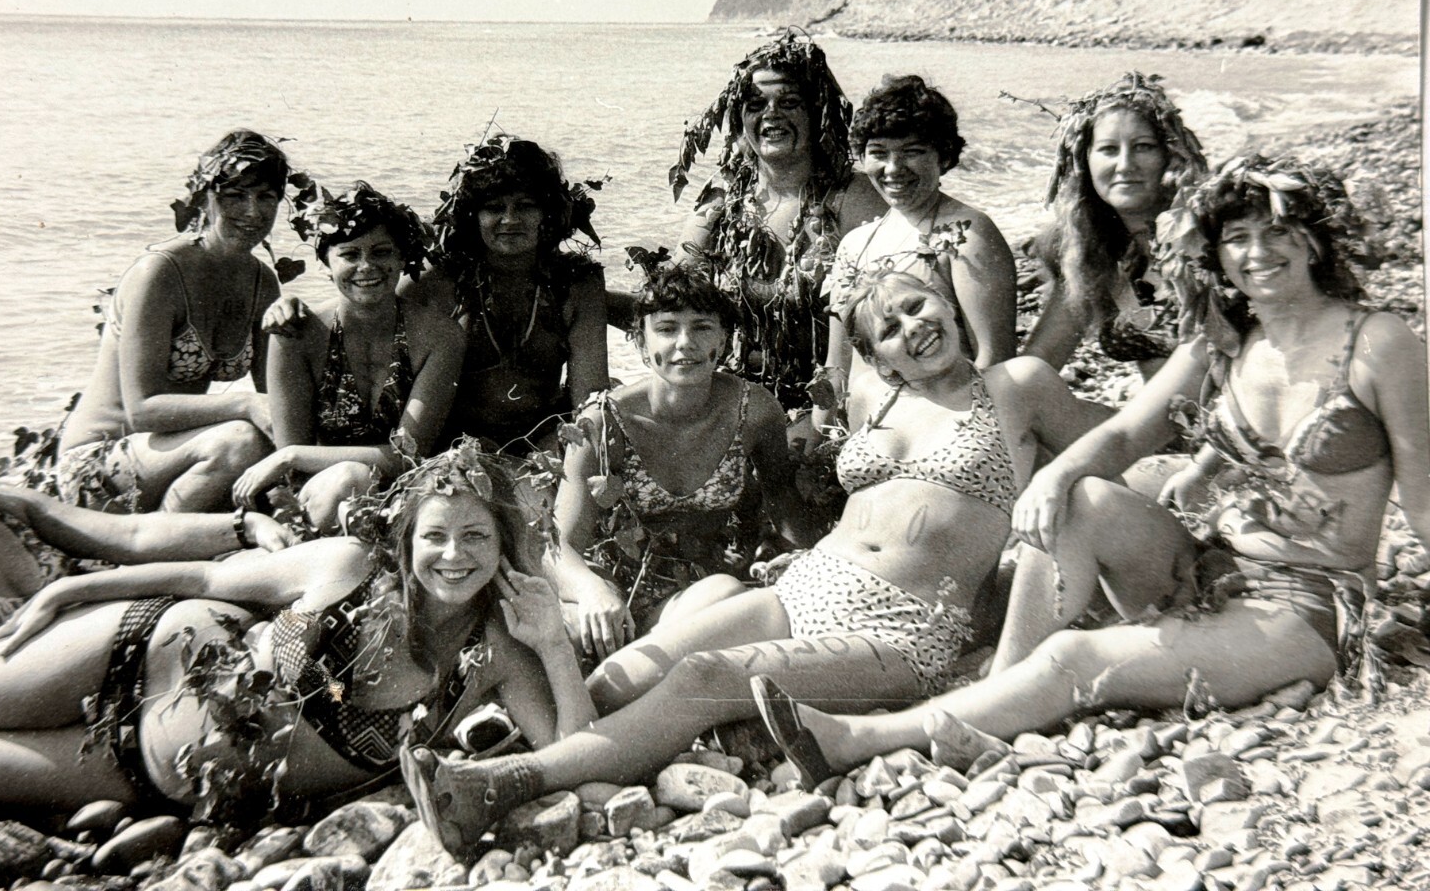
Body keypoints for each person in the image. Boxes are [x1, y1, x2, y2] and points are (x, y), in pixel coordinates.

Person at [745, 155, 1430, 783]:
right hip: (1210, 566)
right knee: (1082, 499)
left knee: (1073, 661)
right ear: (1216, 256)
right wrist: (1053, 478)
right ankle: (997, 697)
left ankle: (859, 742)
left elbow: (1426, 504)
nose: (1256, 253)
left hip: (1307, 606)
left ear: (1312, 237)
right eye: (1237, 238)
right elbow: (1127, 433)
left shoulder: (1376, 344)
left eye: (1274, 232)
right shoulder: (1224, 343)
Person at [398, 266, 1104, 858]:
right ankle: (487, 756)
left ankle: (507, 782)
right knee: (626, 671)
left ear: (950, 302)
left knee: (705, 678)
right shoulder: (882, 398)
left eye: (919, 304)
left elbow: (1113, 453)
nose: (912, 327)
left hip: (903, 629)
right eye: (888, 327)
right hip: (807, 586)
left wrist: (1056, 487)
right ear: (880, 358)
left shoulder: (1018, 385)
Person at [0, 443, 596, 813]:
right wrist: (71, 598)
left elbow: (573, 761)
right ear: (404, 540)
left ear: (504, 549)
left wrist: (556, 644)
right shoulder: (347, 565)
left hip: (143, 776)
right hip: (134, 651)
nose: (453, 556)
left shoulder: (500, 649)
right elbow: (203, 577)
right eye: (435, 536)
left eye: (476, 538)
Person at [0, 379, 293, 694]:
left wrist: (243, 526)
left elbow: (130, 534)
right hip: (29, 715)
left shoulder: (7, 508)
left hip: (111, 672)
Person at [552, 264, 798, 659]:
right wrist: (591, 591)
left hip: (702, 590)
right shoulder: (602, 422)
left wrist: (802, 562)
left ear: (724, 338)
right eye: (667, 329)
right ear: (640, 341)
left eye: (702, 328)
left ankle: (637, 673)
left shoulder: (753, 410)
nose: (685, 344)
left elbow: (784, 504)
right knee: (577, 630)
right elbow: (558, 544)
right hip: (611, 591)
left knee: (728, 596)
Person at [58, 130, 291, 513]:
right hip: (97, 461)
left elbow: (277, 399)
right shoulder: (160, 273)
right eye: (235, 195)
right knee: (240, 441)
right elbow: (143, 409)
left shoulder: (262, 282)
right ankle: (160, 551)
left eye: (266, 196)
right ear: (206, 198)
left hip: (175, 454)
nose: (253, 211)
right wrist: (245, 403)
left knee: (262, 443)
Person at [657, 30, 884, 416]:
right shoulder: (723, 202)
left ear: (819, 112)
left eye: (790, 102)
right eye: (755, 103)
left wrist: (822, 420)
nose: (771, 114)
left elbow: (880, 324)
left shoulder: (853, 199)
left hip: (831, 407)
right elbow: (666, 296)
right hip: (733, 400)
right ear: (739, 118)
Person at [231, 180, 465, 531]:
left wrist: (289, 456)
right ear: (326, 263)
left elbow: (407, 455)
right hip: (320, 491)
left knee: (353, 477)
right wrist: (292, 456)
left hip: (408, 492)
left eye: (381, 252)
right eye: (350, 254)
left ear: (403, 257)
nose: (366, 266)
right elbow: (295, 464)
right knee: (348, 478)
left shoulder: (440, 336)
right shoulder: (296, 334)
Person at [818, 76, 1018, 437]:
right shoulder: (854, 244)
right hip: (869, 428)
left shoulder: (967, 233)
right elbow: (838, 366)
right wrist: (821, 443)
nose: (893, 168)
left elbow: (995, 361)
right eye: (879, 152)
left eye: (912, 152)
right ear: (861, 158)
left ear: (943, 155)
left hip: (950, 430)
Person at [408, 134, 609, 452]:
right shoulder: (444, 279)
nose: (510, 219)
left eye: (526, 206)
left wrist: (556, 451)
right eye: (494, 207)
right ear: (473, 215)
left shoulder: (576, 283)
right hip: (455, 445)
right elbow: (371, 311)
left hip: (546, 440)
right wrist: (302, 311)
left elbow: (590, 398)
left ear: (547, 212)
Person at [1024, 73, 1209, 379]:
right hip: (1153, 424)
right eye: (1109, 149)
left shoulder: (1209, 231)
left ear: (1170, 155)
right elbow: (1040, 360)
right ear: (1085, 161)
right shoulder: (1086, 251)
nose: (1125, 165)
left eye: (1143, 146)